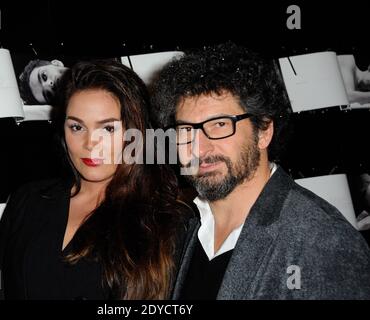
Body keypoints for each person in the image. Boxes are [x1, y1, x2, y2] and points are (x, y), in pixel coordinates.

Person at [150, 42, 370, 299]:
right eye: (186, 130)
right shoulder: (186, 227)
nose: (199, 148)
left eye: (220, 125)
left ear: (264, 131)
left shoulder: (322, 242)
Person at [0, 59, 192, 299]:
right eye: (77, 127)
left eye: (107, 129)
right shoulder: (27, 200)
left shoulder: (168, 222)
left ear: (136, 133)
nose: (90, 143)